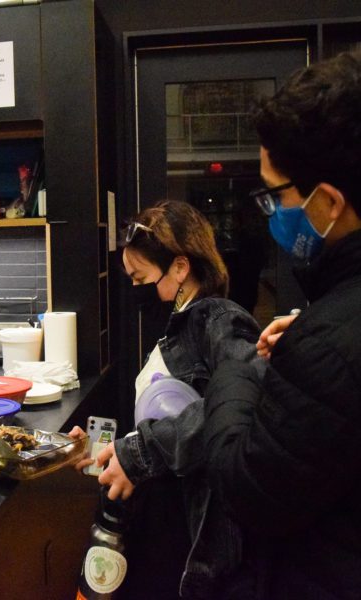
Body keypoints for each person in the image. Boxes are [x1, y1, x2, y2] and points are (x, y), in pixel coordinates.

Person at [203, 50, 361, 598]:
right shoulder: (331, 325)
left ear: (330, 202)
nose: (273, 212)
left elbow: (246, 489)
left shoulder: (329, 344)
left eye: (278, 194)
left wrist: (236, 362)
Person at [71, 200, 265, 598]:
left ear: (180, 266)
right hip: (163, 522)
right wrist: (106, 453)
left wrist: (138, 453)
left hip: (190, 534)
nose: (137, 290)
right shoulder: (176, 330)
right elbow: (165, 423)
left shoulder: (218, 319)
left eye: (141, 278)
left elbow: (243, 405)